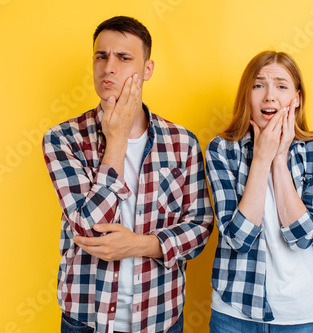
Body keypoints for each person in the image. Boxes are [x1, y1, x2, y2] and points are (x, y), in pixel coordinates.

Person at [42, 16, 213, 333]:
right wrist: (117, 140)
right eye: (101, 56)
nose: (109, 67)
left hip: (160, 316)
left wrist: (140, 245)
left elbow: (200, 227)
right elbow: (89, 228)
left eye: (123, 58)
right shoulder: (62, 138)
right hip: (86, 318)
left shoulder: (183, 142)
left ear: (147, 69)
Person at [205, 51, 313, 333]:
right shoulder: (221, 150)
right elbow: (238, 238)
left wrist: (279, 159)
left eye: (281, 85)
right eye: (258, 85)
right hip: (234, 309)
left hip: (298, 312)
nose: (269, 96)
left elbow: (302, 236)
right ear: (246, 95)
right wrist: (261, 158)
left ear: (297, 97)